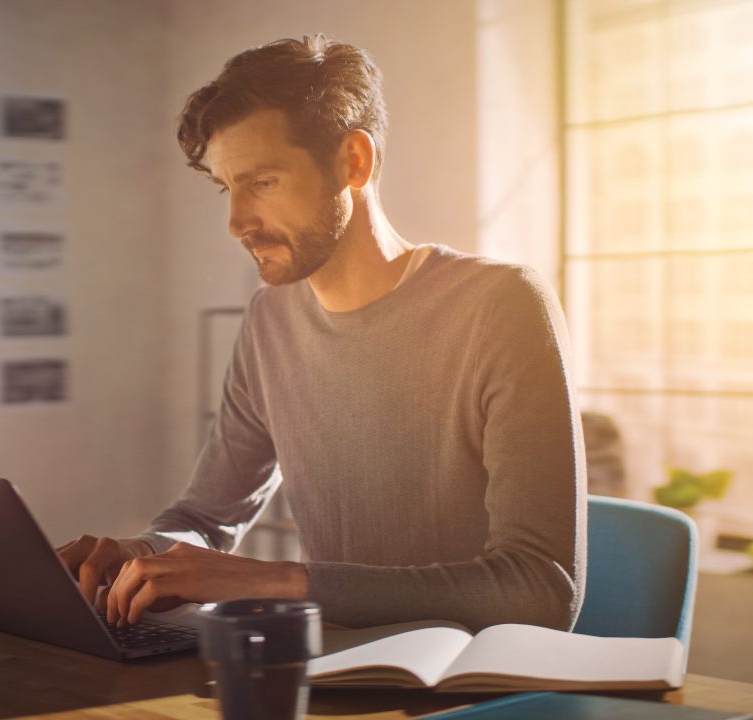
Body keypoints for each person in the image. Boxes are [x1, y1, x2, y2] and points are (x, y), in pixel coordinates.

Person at [57, 35, 586, 633]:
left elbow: (540, 591)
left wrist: (276, 581)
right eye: (227, 188)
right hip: (333, 674)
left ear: (354, 162)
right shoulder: (269, 320)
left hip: (468, 688)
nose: (236, 223)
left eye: (263, 182)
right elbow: (205, 515)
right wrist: (144, 557)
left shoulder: (502, 305)